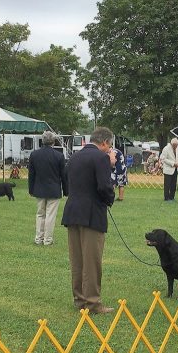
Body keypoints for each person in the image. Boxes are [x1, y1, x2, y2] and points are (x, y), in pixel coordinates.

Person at [61, 127, 116, 314]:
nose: (110, 151)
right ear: (105, 142)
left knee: (77, 260)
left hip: (72, 211)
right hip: (91, 214)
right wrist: (110, 198)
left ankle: (79, 299)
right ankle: (93, 303)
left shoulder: (74, 156)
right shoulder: (101, 158)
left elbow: (66, 183)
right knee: (92, 261)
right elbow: (104, 187)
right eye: (110, 146)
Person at [29, 131, 68, 246]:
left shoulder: (34, 155)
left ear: (42, 140)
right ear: (54, 141)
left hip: (39, 189)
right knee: (50, 215)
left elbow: (31, 174)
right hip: (54, 189)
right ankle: (47, 239)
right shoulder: (59, 156)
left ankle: (38, 238)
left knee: (40, 214)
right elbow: (63, 176)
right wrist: (66, 190)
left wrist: (31, 189)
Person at [159, 138, 178, 202]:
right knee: (167, 185)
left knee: (174, 184)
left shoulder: (177, 148)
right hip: (168, 170)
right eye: (175, 145)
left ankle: (172, 197)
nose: (176, 147)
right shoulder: (166, 149)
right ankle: (166, 198)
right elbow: (162, 159)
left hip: (175, 169)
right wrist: (173, 164)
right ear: (172, 144)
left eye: (177, 145)